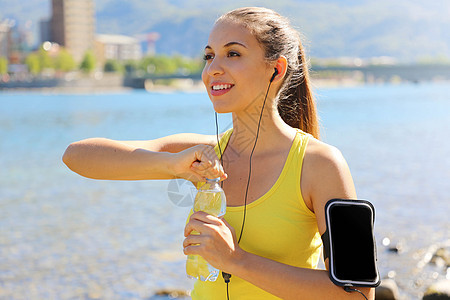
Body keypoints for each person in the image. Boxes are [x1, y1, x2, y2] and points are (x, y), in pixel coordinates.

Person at [63, 7, 374, 300]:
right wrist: (173, 165)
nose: (213, 69)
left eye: (233, 54)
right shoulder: (203, 156)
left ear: (276, 70)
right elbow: (76, 156)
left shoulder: (321, 164)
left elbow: (359, 293)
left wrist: (236, 261)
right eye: (209, 56)